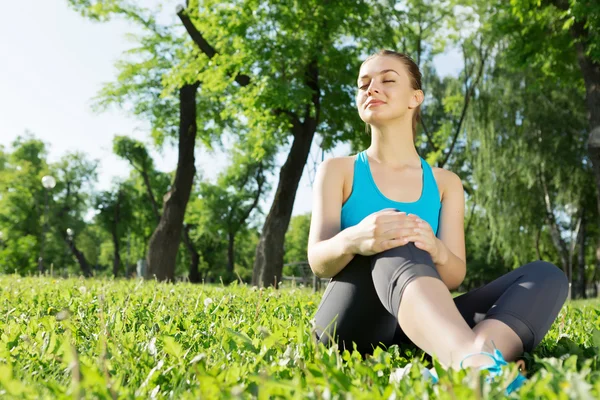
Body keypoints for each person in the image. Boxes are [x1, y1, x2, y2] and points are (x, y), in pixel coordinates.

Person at [307, 49, 569, 393]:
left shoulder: (445, 183)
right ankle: (471, 362)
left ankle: (480, 359)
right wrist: (355, 239)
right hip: (351, 329)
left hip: (420, 330)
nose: (371, 89)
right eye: (363, 84)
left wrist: (436, 250)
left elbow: (453, 274)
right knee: (397, 233)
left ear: (416, 98)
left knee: (545, 276)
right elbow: (318, 261)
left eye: (387, 80)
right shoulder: (338, 171)